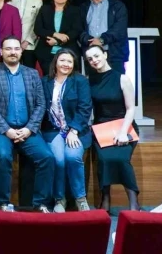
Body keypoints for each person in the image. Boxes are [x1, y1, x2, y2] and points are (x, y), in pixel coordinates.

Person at [0, 36, 54, 213]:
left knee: (47, 157)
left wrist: (29, 129)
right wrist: (7, 130)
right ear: (1, 52)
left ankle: (40, 203)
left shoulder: (32, 74)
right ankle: (2, 203)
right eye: (8, 49)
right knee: (3, 156)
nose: (12, 52)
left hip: (27, 129)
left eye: (16, 49)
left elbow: (41, 104)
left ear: (21, 51)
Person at [85, 45, 140, 211]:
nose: (94, 60)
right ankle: (105, 199)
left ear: (105, 54)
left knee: (121, 159)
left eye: (97, 56)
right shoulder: (89, 80)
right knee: (104, 160)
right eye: (90, 59)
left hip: (124, 125)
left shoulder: (122, 78)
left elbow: (130, 108)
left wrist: (123, 132)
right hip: (101, 128)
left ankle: (134, 203)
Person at [40, 48, 92, 212]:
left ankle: (80, 198)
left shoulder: (80, 81)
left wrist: (74, 130)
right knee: (58, 160)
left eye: (70, 61)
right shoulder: (45, 81)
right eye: (62, 60)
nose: (66, 64)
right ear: (55, 62)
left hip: (76, 131)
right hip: (53, 130)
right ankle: (59, 199)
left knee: (72, 157)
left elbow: (85, 108)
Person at [79, 0, 129, 74]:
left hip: (114, 55)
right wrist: (90, 41)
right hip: (91, 55)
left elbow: (120, 29)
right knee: (93, 84)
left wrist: (101, 40)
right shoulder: (83, 8)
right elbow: (79, 29)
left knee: (115, 83)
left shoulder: (117, 5)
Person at [34, 0, 82, 76]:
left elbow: (76, 30)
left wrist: (57, 41)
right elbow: (38, 29)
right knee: (49, 79)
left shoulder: (75, 10)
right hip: (46, 52)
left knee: (69, 80)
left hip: (68, 51)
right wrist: (55, 34)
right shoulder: (44, 9)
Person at [10, 0, 43, 69]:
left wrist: (27, 41)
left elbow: (37, 23)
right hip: (12, 44)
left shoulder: (37, 1)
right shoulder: (9, 1)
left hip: (30, 45)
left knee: (29, 71)